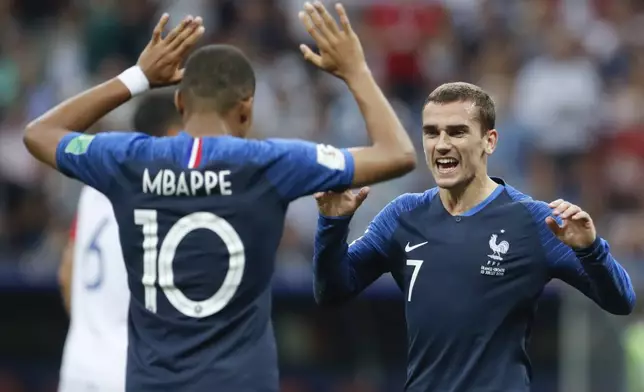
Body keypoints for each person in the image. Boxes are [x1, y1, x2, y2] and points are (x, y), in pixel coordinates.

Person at [24, 3, 416, 391]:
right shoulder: (269, 163)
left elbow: (39, 134)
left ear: (180, 102)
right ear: (246, 109)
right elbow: (397, 153)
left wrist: (138, 77)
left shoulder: (129, 159)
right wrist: (356, 71)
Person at [311, 81, 636, 391]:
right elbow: (333, 290)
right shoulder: (403, 215)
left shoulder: (534, 221)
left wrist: (591, 250)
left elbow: (621, 301)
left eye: (457, 132)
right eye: (431, 132)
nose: (441, 144)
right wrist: (332, 224)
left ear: (489, 141)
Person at [57, 91, 182, 392]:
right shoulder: (168, 193)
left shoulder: (95, 187)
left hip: (79, 363)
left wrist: (92, 332)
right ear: (174, 134)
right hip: (132, 368)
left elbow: (65, 274)